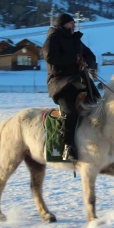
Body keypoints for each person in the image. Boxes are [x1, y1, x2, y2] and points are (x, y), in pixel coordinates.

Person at [42, 13, 100, 161]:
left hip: (80, 80)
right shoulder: (53, 38)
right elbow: (50, 57)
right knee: (71, 111)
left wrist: (88, 63)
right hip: (61, 83)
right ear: (62, 25)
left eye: (74, 23)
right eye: (70, 23)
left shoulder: (76, 40)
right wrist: (74, 59)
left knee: (99, 105)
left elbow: (90, 55)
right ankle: (69, 146)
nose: (73, 26)